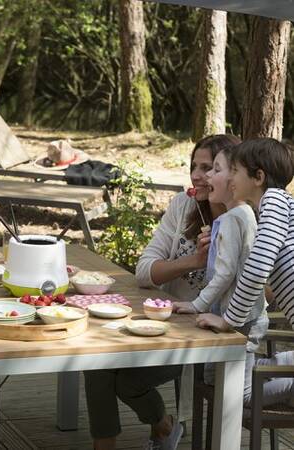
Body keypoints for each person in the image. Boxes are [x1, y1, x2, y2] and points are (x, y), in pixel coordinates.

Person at [84, 134, 240, 450]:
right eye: (194, 165)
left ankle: (163, 425)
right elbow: (144, 271)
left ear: (230, 173)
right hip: (163, 324)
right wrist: (192, 261)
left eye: (208, 167)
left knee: (126, 381)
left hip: (207, 335)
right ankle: (108, 444)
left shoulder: (241, 219)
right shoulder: (183, 205)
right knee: (95, 357)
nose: (197, 175)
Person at [172, 146, 268, 405]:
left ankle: (288, 379)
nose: (207, 177)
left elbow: (225, 274)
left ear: (233, 181)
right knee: (217, 381)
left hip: (242, 320)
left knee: (239, 394)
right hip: (243, 316)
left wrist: (196, 305)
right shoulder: (243, 214)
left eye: (217, 170)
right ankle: (278, 365)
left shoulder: (231, 219)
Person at [196, 138, 294, 332]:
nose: (230, 178)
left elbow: (258, 269)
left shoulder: (274, 200)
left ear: (258, 177)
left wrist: (227, 321)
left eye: (235, 171)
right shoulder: (274, 205)